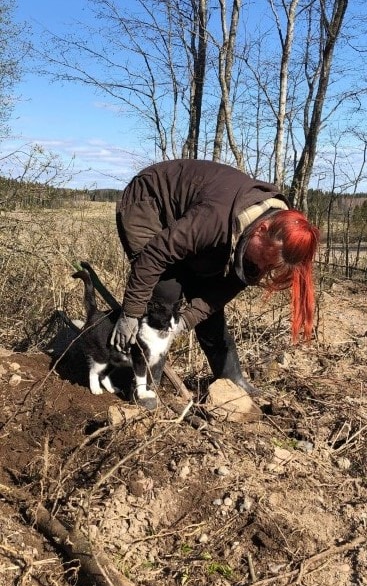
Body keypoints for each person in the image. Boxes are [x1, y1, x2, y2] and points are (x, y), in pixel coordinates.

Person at [111, 158, 320, 404]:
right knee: (166, 291)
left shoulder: (279, 232)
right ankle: (144, 386)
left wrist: (184, 322)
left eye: (270, 266)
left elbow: (215, 296)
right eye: (264, 258)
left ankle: (230, 379)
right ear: (261, 229)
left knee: (209, 304)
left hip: (193, 222)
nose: (262, 267)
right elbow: (157, 253)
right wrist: (131, 312)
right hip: (150, 202)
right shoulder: (214, 219)